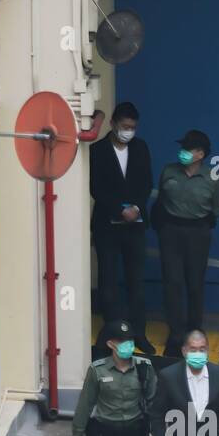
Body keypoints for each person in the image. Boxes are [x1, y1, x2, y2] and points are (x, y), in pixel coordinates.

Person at [90, 102, 154, 354]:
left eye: (133, 127)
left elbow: (146, 182)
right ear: (113, 124)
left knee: (136, 281)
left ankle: (140, 334)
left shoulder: (141, 148)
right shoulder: (97, 151)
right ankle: (113, 334)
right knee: (109, 281)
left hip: (135, 226)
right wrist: (119, 210)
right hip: (107, 225)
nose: (129, 131)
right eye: (125, 126)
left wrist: (136, 207)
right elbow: (95, 186)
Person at [154, 129, 219, 357]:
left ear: (200, 153)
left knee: (195, 284)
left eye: (188, 149)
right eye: (182, 148)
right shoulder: (169, 171)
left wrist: (200, 225)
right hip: (171, 231)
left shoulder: (212, 177)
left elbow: (217, 208)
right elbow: (161, 201)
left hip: (198, 233)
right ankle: (175, 334)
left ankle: (194, 331)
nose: (182, 152)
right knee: (172, 283)